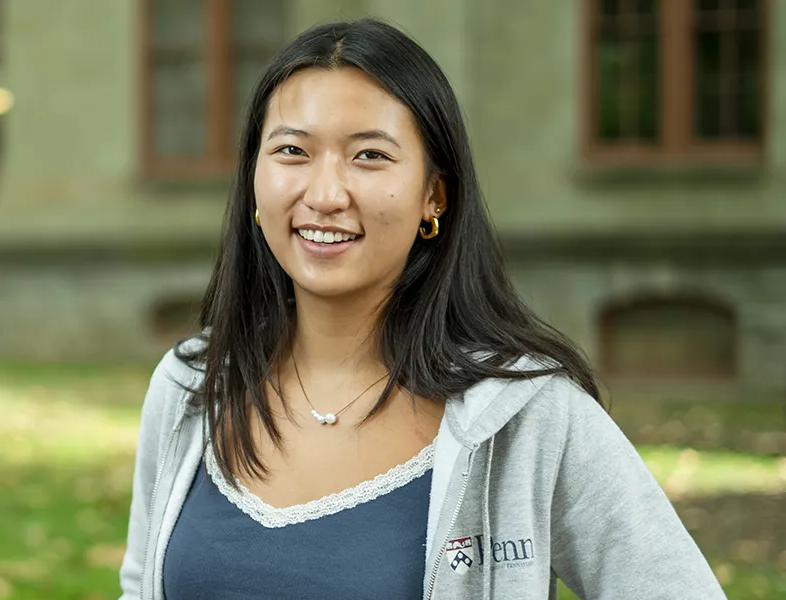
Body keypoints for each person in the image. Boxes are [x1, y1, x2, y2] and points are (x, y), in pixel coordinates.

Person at [118, 17, 726, 600]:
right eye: (292, 151)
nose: (324, 194)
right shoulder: (192, 387)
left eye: (370, 156)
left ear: (434, 194)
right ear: (254, 180)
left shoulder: (526, 415)